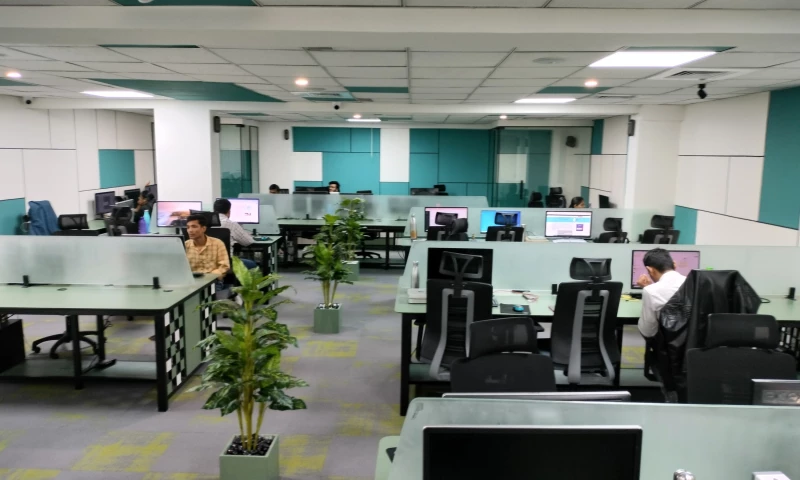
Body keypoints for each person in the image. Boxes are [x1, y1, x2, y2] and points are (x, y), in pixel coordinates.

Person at [637, 248, 687, 338]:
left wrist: (649, 289)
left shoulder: (650, 291)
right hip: (695, 342)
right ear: (674, 265)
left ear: (649, 270)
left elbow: (648, 332)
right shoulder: (693, 283)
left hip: (669, 343)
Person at [213, 198, 258, 271]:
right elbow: (248, 242)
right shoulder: (231, 224)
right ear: (229, 211)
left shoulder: (204, 224)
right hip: (227, 262)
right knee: (252, 264)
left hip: (208, 262)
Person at [184, 214, 230, 281]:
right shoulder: (185, 245)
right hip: (192, 280)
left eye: (194, 227)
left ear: (203, 229)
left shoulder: (218, 243)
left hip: (212, 280)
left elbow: (224, 266)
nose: (190, 230)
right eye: (188, 227)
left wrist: (209, 278)